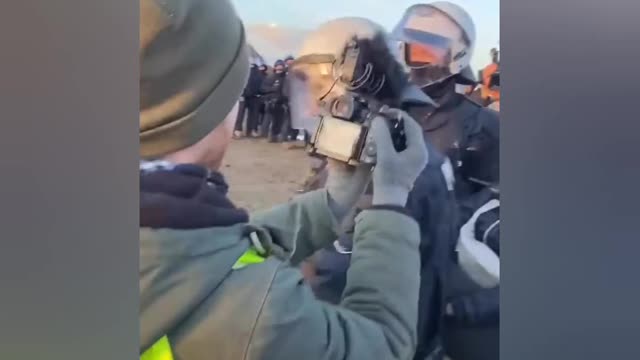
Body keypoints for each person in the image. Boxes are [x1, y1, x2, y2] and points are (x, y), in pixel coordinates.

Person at [139, 2, 430, 360]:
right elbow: (383, 346)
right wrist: (391, 202)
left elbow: (212, 253)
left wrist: (332, 202)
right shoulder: (257, 320)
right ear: (204, 109)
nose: (308, 110)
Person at [286, 16, 460, 360]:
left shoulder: (378, 171)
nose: (307, 106)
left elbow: (326, 285)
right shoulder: (400, 149)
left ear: (348, 87)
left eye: (314, 87)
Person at [391, 3, 500, 359]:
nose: (412, 57)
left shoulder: (483, 126)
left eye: (425, 48)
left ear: (456, 56)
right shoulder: (382, 113)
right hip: (375, 267)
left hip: (438, 283)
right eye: (408, 46)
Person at [234, 63, 265, 138]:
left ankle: (246, 130)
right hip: (247, 96)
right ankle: (243, 130)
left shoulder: (257, 74)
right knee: (244, 114)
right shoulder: (258, 74)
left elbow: (262, 85)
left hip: (252, 96)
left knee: (249, 115)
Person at [260, 59, 288, 142]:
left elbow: (286, 90)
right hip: (270, 101)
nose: (279, 69)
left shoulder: (285, 78)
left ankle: (274, 136)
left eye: (281, 67)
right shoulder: (270, 77)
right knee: (267, 119)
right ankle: (265, 135)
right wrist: (272, 89)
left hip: (281, 102)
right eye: (278, 67)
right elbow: (262, 88)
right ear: (275, 67)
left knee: (278, 120)